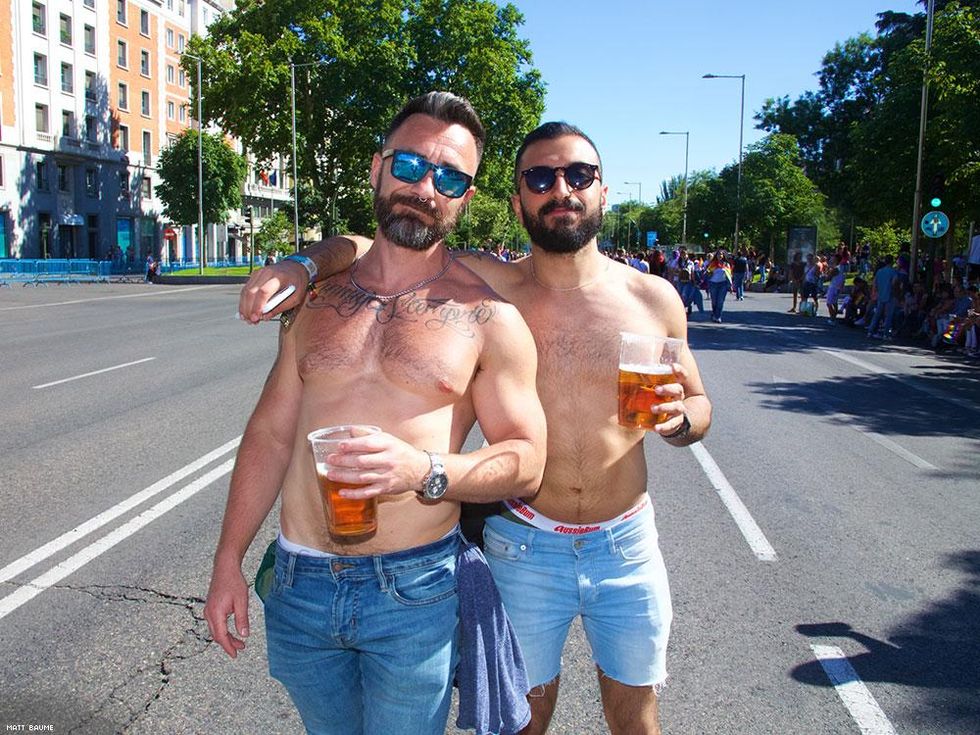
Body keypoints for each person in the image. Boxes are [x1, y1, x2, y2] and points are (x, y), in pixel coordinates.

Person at [240, 121, 712, 735]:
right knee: (521, 716)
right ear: (518, 202)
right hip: (526, 539)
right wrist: (303, 265)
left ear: (603, 191)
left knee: (635, 714)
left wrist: (680, 420)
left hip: (623, 540)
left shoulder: (654, 299)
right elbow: (372, 245)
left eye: (579, 175)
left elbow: (700, 404)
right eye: (540, 178)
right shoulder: (492, 284)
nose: (561, 189)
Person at [205, 92, 547, 735]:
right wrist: (229, 558)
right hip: (300, 582)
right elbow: (272, 434)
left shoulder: (488, 318)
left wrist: (424, 469)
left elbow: (527, 461)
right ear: (376, 167)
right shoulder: (314, 299)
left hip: (413, 590)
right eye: (410, 164)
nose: (425, 186)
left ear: (465, 198)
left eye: (449, 177)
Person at [705, 250, 732, 323]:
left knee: (720, 301)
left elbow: (729, 276)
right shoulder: (713, 264)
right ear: (716, 256)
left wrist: (730, 285)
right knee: (714, 301)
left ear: (723, 256)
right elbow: (707, 273)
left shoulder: (726, 265)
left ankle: (718, 316)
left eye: (721, 254)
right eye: (718, 254)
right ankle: (714, 313)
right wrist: (708, 272)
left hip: (723, 284)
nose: (720, 256)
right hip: (713, 284)